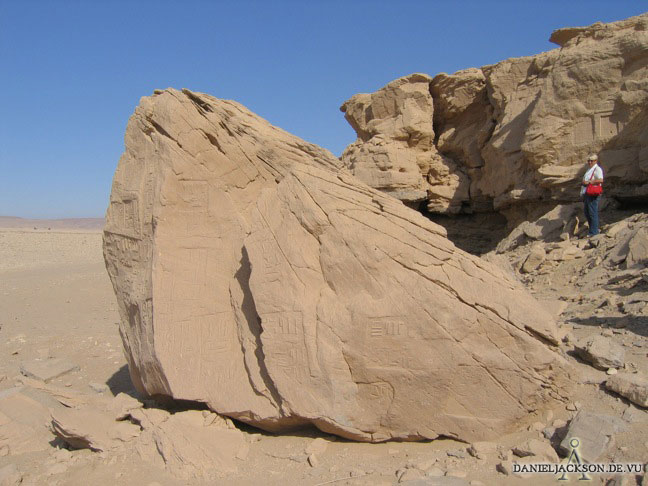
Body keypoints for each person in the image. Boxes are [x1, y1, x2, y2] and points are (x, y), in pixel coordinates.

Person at [580, 153, 604, 236]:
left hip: (593, 193)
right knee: (587, 212)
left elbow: (601, 180)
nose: (589, 162)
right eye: (588, 161)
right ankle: (592, 230)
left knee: (592, 212)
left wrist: (590, 182)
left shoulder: (597, 169)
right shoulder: (589, 169)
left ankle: (594, 232)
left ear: (595, 161)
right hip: (587, 193)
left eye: (591, 161)